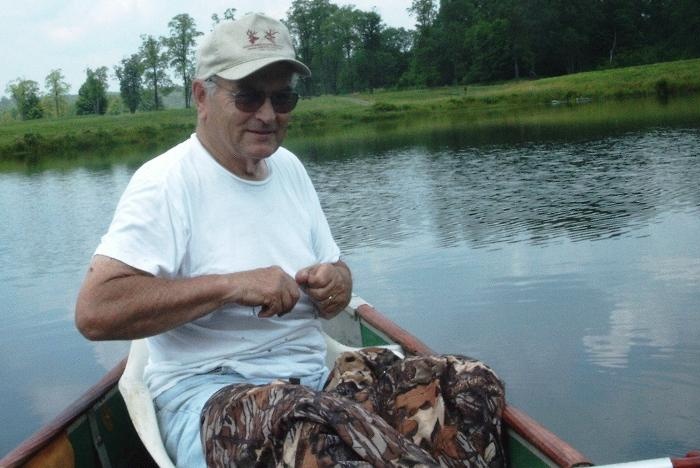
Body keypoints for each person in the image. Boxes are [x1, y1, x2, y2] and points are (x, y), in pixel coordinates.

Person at [76, 13, 505, 467]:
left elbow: (337, 280)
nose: (267, 114)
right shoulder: (166, 183)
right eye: (248, 97)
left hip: (317, 382)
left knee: (470, 381)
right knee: (320, 431)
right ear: (202, 96)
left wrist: (336, 283)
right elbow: (96, 312)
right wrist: (231, 286)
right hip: (211, 395)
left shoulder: (290, 170)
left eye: (283, 98)